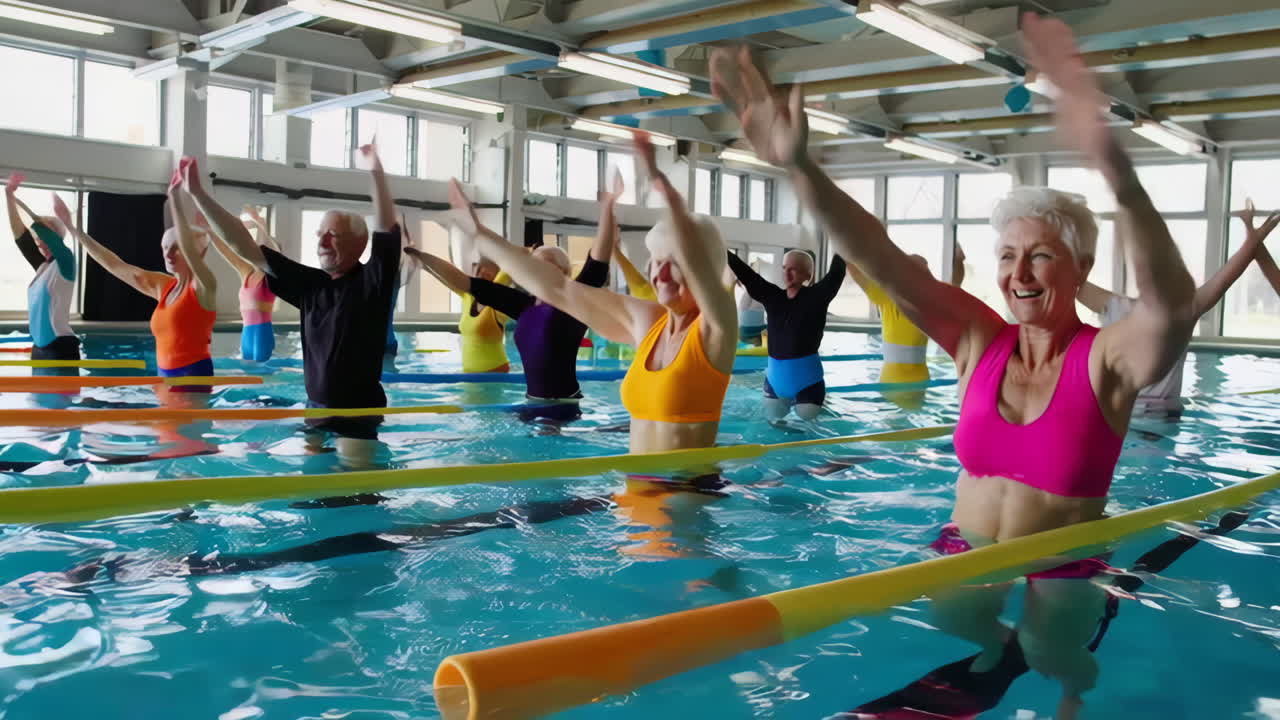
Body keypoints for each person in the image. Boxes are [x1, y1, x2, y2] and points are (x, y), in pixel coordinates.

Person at [712, 14, 1198, 720]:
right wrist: (801, 168)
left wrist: (1114, 168)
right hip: (962, 544)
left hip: (1063, 561)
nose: (1019, 273)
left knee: (1055, 654)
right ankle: (1017, 651)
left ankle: (1073, 686)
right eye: (1007, 256)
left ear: (1081, 268)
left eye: (1040, 256)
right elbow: (880, 256)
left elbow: (1172, 305)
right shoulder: (977, 338)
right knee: (955, 625)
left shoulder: (1108, 358)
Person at [454, 131, 738, 555]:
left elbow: (702, 266)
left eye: (673, 263)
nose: (659, 275)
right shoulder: (651, 325)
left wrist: (671, 198)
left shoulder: (715, 331)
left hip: (686, 502)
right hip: (636, 495)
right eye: (655, 262)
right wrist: (484, 236)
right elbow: (560, 290)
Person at [182, 146, 399, 468]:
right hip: (315, 409)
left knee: (357, 495)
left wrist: (376, 171)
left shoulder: (373, 282)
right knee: (310, 487)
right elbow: (243, 244)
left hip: (358, 414)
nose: (322, 242)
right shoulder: (310, 285)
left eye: (332, 235)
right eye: (319, 234)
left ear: (358, 242)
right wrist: (198, 194)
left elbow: (385, 229)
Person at [408, 184, 614, 422]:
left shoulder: (573, 302)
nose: (534, 268)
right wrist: (421, 256)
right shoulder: (522, 305)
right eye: (533, 263)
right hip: (532, 402)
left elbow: (597, 263)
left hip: (563, 406)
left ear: (563, 272)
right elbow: (464, 282)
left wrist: (608, 208)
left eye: (544, 263)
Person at [1077, 203, 1279, 416]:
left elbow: (1067, 280)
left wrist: (1254, 236)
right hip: (1153, 420)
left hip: (1126, 419)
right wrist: (1254, 235)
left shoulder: (1120, 306)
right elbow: (1068, 281)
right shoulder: (1178, 310)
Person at [57, 167, 217, 387]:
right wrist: (74, 230)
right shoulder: (164, 286)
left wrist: (175, 199)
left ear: (195, 252)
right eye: (165, 248)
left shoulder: (203, 287)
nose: (167, 254)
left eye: (176, 248)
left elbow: (192, 252)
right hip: (164, 376)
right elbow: (115, 265)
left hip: (193, 377)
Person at [727, 247, 845, 420]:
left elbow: (837, 271)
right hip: (775, 381)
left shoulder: (818, 297)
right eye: (784, 268)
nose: (787, 274)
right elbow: (748, 275)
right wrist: (722, 250)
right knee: (774, 423)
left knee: (808, 430)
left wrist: (843, 241)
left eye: (793, 269)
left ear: (808, 274)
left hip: (808, 382)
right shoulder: (773, 296)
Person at [848, 244, 965, 409]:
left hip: (895, 381)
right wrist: (959, 258)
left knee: (893, 429)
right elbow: (956, 284)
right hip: (916, 381)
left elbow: (855, 270)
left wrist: (846, 242)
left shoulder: (889, 297)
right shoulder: (931, 303)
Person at [5, 173, 78, 362]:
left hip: (60, 347)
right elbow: (21, 237)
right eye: (38, 240)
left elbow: (50, 238)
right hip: (39, 349)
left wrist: (43, 221)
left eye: (42, 239)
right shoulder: (43, 267)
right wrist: (9, 196)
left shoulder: (66, 261)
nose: (39, 243)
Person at [209, 205, 280, 362]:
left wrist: (260, 222)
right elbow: (227, 251)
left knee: (262, 376)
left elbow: (276, 249)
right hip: (246, 334)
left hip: (262, 334)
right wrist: (209, 231)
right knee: (247, 373)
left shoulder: (269, 275)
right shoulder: (246, 273)